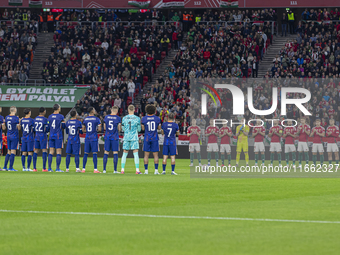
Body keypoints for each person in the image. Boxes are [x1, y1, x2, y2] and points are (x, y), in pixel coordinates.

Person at [121, 105, 141, 174]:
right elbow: (139, 129)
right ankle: (137, 170)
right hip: (134, 137)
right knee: (135, 153)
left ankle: (122, 169)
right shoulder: (137, 118)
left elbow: (122, 129)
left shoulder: (124, 118)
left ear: (128, 110)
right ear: (134, 110)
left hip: (126, 137)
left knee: (124, 153)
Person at [141, 104, 161, 175]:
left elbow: (142, 129)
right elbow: (159, 128)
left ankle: (146, 171)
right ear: (154, 111)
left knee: (146, 155)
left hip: (146, 138)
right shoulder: (157, 118)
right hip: (154, 138)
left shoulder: (144, 118)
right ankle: (156, 171)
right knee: (155, 155)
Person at [82, 107, 102, 173]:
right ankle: (95, 169)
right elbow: (99, 129)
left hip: (87, 137)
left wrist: (87, 131)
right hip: (94, 137)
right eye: (94, 110)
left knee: (86, 153)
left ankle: (83, 169)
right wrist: (95, 130)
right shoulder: (97, 119)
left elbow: (83, 129)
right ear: (92, 111)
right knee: (94, 153)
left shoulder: (85, 119)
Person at [103, 106, 121, 174]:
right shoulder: (118, 118)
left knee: (106, 152)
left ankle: (104, 170)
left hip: (107, 136)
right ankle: (115, 170)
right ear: (116, 110)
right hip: (114, 137)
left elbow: (104, 127)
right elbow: (119, 128)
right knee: (115, 152)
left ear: (111, 110)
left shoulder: (106, 117)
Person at [3, 106, 21, 171]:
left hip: (8, 135)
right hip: (14, 136)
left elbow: (4, 128)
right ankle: (11, 167)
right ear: (15, 111)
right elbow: (19, 128)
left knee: (8, 151)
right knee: (13, 152)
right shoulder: (16, 118)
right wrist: (19, 122)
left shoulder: (7, 117)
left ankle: (5, 167)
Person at [48, 104, 65, 172]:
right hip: (58, 135)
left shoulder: (50, 116)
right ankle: (57, 168)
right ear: (58, 108)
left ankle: (49, 168)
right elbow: (63, 126)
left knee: (51, 151)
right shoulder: (61, 116)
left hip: (51, 135)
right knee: (58, 151)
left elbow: (48, 127)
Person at [33, 107, 49, 172]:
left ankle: (34, 168)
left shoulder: (35, 119)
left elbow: (33, 129)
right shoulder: (45, 119)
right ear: (44, 111)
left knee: (36, 151)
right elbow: (47, 129)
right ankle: (44, 168)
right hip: (43, 136)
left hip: (37, 135)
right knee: (44, 151)